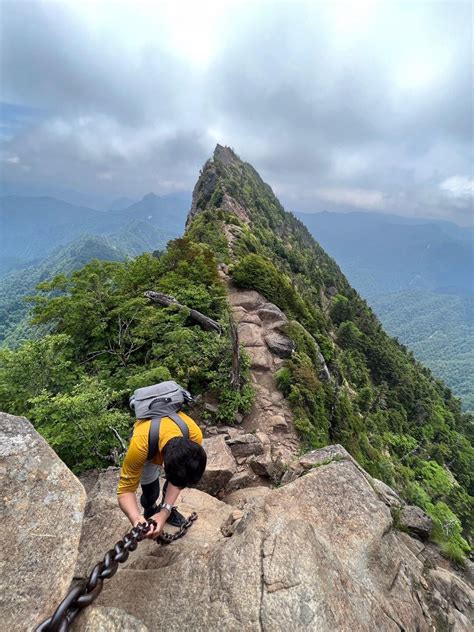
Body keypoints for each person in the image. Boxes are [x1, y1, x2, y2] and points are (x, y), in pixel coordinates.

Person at [117, 385, 207, 540]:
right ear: (163, 466)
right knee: (151, 492)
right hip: (149, 449)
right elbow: (125, 490)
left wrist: (165, 512)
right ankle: (150, 509)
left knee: (177, 479)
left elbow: (180, 477)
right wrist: (135, 518)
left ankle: (165, 509)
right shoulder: (140, 446)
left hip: (162, 443)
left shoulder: (194, 435)